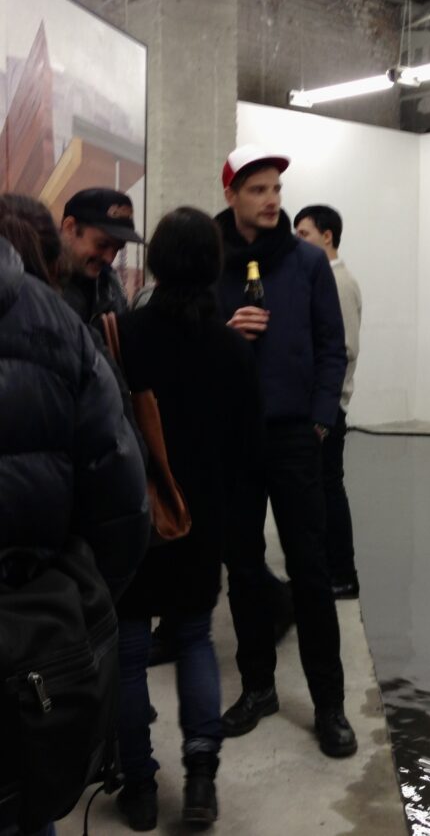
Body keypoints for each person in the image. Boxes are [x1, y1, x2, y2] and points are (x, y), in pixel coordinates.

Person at [0, 205, 150, 836]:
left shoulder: (91, 307)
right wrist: (79, 605)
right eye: (101, 243)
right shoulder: (57, 322)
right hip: (31, 631)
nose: (108, 257)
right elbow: (121, 502)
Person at [111, 208, 263, 830]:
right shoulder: (231, 348)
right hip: (201, 515)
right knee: (196, 637)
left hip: (132, 514)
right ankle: (201, 779)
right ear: (213, 267)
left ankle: (140, 787)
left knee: (128, 650)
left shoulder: (123, 334)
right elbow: (248, 447)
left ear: (156, 262)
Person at [214, 145, 356, 759]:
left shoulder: (307, 262)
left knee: (311, 571)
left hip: (296, 435)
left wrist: (321, 417)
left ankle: (330, 705)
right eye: (258, 189)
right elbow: (192, 344)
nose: (272, 200)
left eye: (276, 188)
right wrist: (224, 335)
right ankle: (259, 688)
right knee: (243, 569)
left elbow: (331, 344)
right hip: (234, 436)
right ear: (231, 196)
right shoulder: (211, 261)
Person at [294, 205, 363, 600]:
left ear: (327, 236)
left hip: (328, 406)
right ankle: (329, 570)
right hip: (320, 403)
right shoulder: (322, 280)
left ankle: (342, 574)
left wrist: (326, 409)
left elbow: (345, 348)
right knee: (320, 489)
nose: (297, 241)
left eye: (303, 234)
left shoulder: (338, 283)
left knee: (328, 488)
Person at [58, 188, 142, 326]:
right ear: (69, 228)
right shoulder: (34, 285)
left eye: (118, 249)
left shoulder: (110, 284)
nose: (109, 259)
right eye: (102, 245)